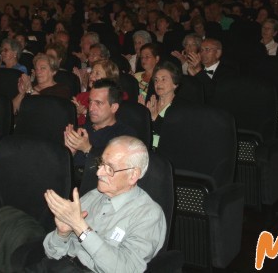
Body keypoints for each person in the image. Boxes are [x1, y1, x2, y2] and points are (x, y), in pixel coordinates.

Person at [34, 136, 166, 272]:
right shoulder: (93, 196)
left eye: (109, 169)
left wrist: (80, 228)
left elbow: (126, 269)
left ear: (133, 175)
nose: (98, 172)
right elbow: (51, 253)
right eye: (101, 163)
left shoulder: (148, 214)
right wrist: (62, 233)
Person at [64, 79, 136, 177]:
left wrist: (87, 150)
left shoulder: (125, 137)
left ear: (114, 107)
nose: (91, 108)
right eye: (90, 102)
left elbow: (114, 173)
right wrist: (68, 153)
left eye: (98, 103)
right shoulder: (82, 129)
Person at [139, 62, 181, 148]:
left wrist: (155, 118)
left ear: (175, 84)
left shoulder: (180, 108)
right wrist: (142, 115)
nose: (158, 83)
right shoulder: (150, 104)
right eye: (156, 80)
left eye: (163, 79)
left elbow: (175, 137)